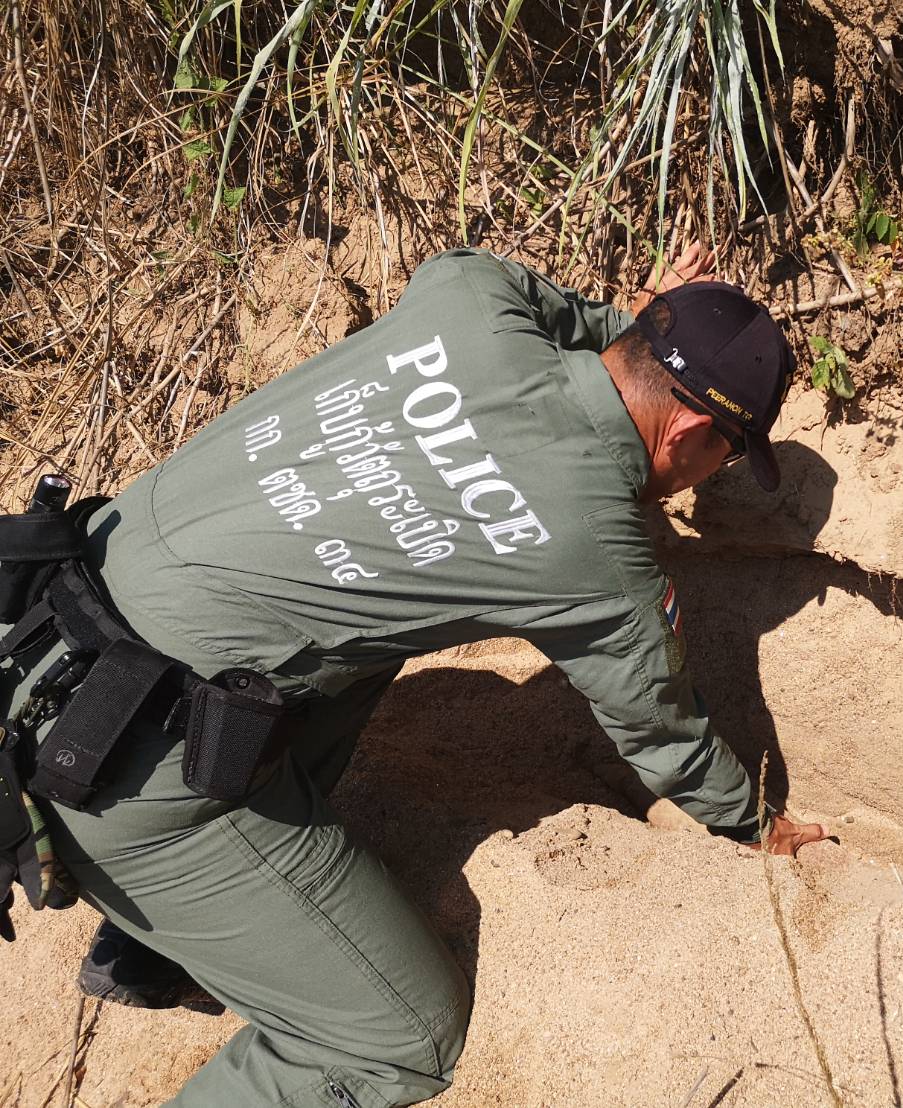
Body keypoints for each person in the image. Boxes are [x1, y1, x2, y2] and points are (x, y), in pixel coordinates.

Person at [0, 243, 826, 1106]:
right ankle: (180, 919)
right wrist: (756, 824)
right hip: (112, 774)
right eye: (728, 455)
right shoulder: (595, 549)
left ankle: (152, 948)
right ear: (690, 433)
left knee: (370, 624)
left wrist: (634, 325)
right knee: (398, 1043)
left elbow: (489, 278)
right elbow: (661, 729)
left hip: (33, 632)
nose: (708, 478)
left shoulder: (471, 300)